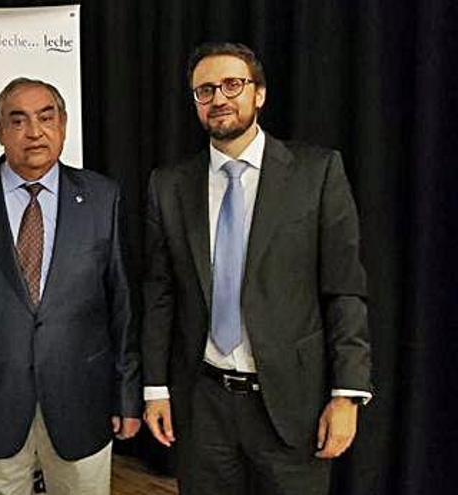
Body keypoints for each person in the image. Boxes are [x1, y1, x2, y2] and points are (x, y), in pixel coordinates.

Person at [142, 42, 373, 494]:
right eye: (205, 91)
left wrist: (346, 394)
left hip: (292, 404)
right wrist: (155, 388)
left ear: (259, 94)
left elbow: (344, 289)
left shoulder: (317, 172)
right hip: (203, 404)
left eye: (233, 84)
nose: (219, 99)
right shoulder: (169, 185)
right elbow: (159, 292)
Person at [0, 77, 142, 494]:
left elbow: (122, 307)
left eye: (46, 117)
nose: (34, 132)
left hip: (83, 402)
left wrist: (127, 394)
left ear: (63, 125)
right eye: (18, 120)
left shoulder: (102, 196)